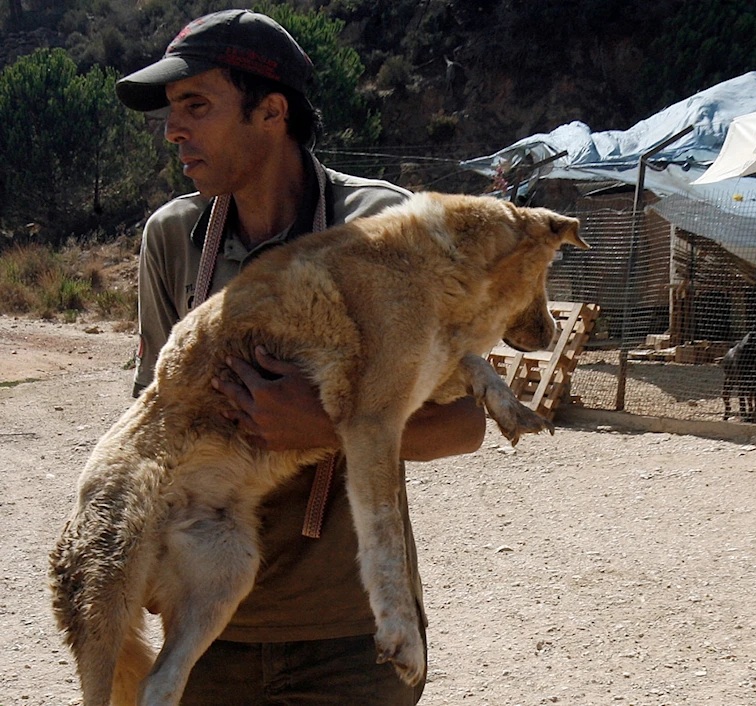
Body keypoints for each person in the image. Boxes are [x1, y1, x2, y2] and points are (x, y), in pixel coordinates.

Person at [115, 9, 486, 705]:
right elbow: (148, 429)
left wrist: (322, 425)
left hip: (351, 643)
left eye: (196, 105)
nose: (173, 131)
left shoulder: (382, 228)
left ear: (271, 111)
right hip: (207, 638)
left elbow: (466, 423)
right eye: (171, 111)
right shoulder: (173, 239)